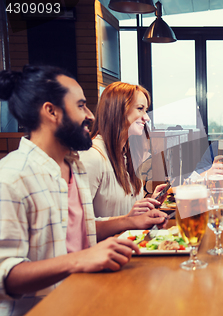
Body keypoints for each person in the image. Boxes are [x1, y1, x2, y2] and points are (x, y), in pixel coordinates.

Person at [0, 65, 167, 315]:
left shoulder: (73, 166)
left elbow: (83, 232)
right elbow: (5, 276)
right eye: (80, 105)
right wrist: (81, 259)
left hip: (86, 297)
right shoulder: (12, 176)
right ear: (51, 111)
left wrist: (131, 221)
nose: (90, 115)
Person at [79, 82, 166, 219]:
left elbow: (127, 212)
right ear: (117, 110)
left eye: (146, 110)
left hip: (130, 239)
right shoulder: (92, 156)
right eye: (140, 108)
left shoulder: (127, 154)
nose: (146, 117)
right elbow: (80, 225)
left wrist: (150, 203)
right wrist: (127, 220)